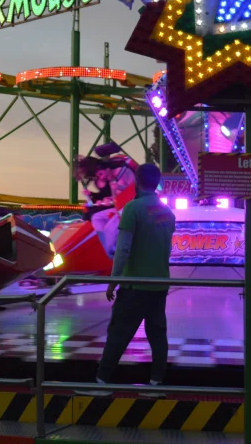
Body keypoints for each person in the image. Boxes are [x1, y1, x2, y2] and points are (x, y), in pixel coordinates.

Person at [93, 163, 176, 390]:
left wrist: (113, 282)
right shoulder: (167, 212)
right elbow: (166, 248)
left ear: (137, 182)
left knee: (118, 332)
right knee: (157, 335)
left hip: (134, 286)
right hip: (160, 284)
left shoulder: (133, 208)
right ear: (157, 182)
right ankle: (157, 381)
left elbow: (123, 249)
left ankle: (102, 380)